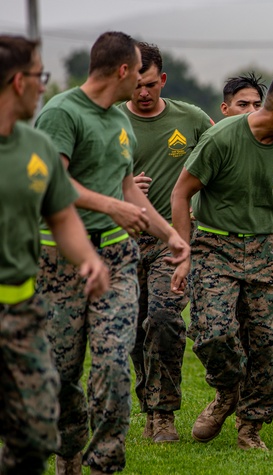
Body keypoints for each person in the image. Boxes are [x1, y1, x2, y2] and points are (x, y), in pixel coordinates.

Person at [33, 31, 190, 475]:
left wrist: (169, 235)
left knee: (113, 365)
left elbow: (126, 189)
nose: (143, 82)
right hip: (60, 262)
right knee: (62, 375)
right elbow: (52, 183)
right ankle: (70, 451)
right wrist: (111, 205)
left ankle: (104, 463)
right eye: (139, 72)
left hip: (117, 260)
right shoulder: (62, 114)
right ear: (124, 71)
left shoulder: (119, 122)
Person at [170, 69, 273, 452]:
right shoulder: (221, 138)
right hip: (214, 247)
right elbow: (181, 193)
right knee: (213, 333)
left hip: (265, 250)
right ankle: (226, 392)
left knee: (270, 344)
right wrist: (183, 253)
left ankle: (250, 428)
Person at [0, 34, 110, 475]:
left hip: (22, 309)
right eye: (38, 75)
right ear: (16, 81)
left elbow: (62, 217)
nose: (44, 85)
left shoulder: (37, 146)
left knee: (39, 430)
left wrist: (87, 257)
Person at [118, 42, 213, 443]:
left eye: (151, 85)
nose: (143, 93)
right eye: (137, 85)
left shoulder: (191, 119)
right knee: (134, 332)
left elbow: (222, 161)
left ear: (163, 80)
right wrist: (119, 190)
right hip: (120, 243)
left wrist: (200, 214)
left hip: (170, 244)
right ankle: (150, 401)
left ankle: (163, 414)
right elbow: (76, 179)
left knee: (164, 320)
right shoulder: (108, 122)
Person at [219, 72, 273, 279]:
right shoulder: (216, 142)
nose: (251, 110)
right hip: (218, 250)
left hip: (265, 248)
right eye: (242, 104)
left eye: (257, 105)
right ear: (225, 109)